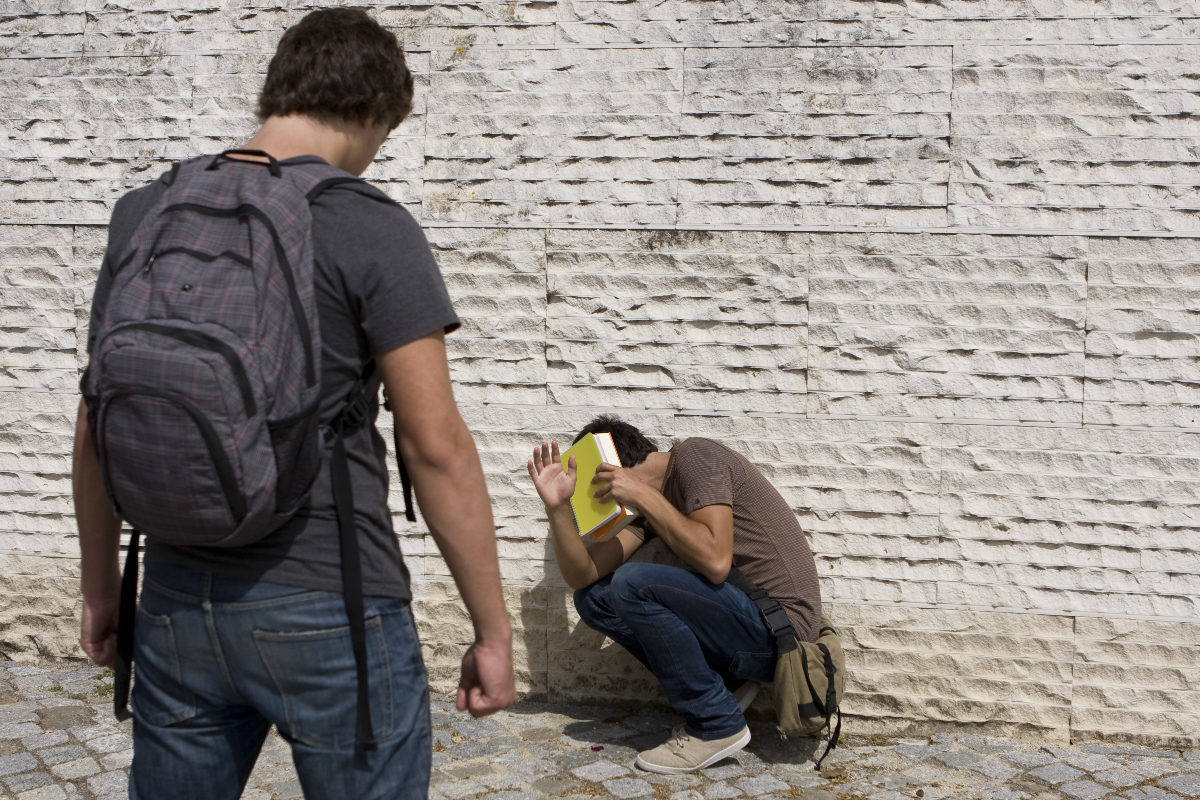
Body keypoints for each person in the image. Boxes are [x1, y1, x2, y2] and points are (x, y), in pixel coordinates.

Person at [73, 9, 515, 799]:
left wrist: (104, 591)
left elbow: (94, 426)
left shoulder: (145, 212)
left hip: (174, 601)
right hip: (333, 603)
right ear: (375, 104)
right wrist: (492, 629)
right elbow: (436, 443)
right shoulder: (364, 222)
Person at [527, 415, 821, 773]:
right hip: (749, 632)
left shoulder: (698, 456)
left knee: (632, 580)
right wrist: (557, 508)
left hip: (784, 635)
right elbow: (583, 575)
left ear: (607, 466)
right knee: (595, 598)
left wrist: (640, 494)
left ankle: (715, 723)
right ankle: (726, 687)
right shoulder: (651, 509)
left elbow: (715, 561)